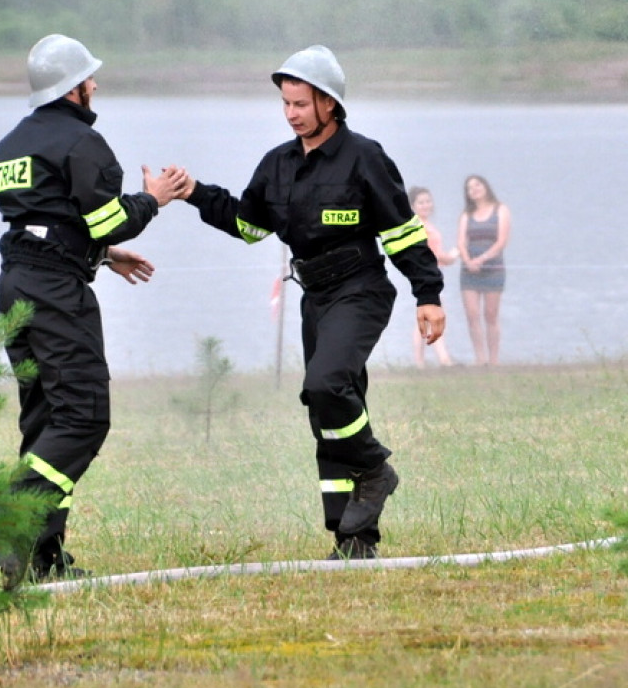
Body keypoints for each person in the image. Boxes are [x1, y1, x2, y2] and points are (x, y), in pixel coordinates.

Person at [180, 45, 446, 560]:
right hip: (314, 296)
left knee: (324, 386)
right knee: (330, 412)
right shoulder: (277, 164)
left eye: (300, 104)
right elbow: (249, 225)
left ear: (328, 103)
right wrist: (194, 192)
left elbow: (402, 232)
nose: (291, 114)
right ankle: (352, 539)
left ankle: (374, 469)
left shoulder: (365, 156)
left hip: (361, 289)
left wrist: (428, 295)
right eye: (285, 104)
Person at [0, 34, 189, 581]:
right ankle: (0, 522)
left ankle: (39, 560)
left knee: (44, 417)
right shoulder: (83, 142)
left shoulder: (11, 143)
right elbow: (110, 218)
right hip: (56, 291)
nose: (95, 85)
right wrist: (155, 198)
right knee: (82, 417)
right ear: (73, 88)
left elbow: (44, 219)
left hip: (17, 282)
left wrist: (101, 255)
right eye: (90, 78)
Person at [457, 174, 510, 366]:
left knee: (491, 314)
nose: (475, 190)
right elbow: (461, 242)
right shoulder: (466, 215)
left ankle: (494, 359)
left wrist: (482, 259)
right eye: (470, 188)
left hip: (493, 269)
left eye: (477, 185)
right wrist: (468, 260)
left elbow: (501, 241)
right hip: (469, 271)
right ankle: (480, 358)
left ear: (485, 186)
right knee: (472, 314)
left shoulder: (500, 210)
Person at [408, 186, 458, 368]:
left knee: (423, 320)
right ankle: (443, 359)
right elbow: (431, 254)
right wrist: (451, 256)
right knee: (434, 316)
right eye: (421, 202)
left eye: (428, 201)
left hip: (433, 274)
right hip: (428, 277)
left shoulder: (426, 224)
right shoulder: (420, 226)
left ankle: (420, 361)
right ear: (412, 206)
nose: (425, 205)